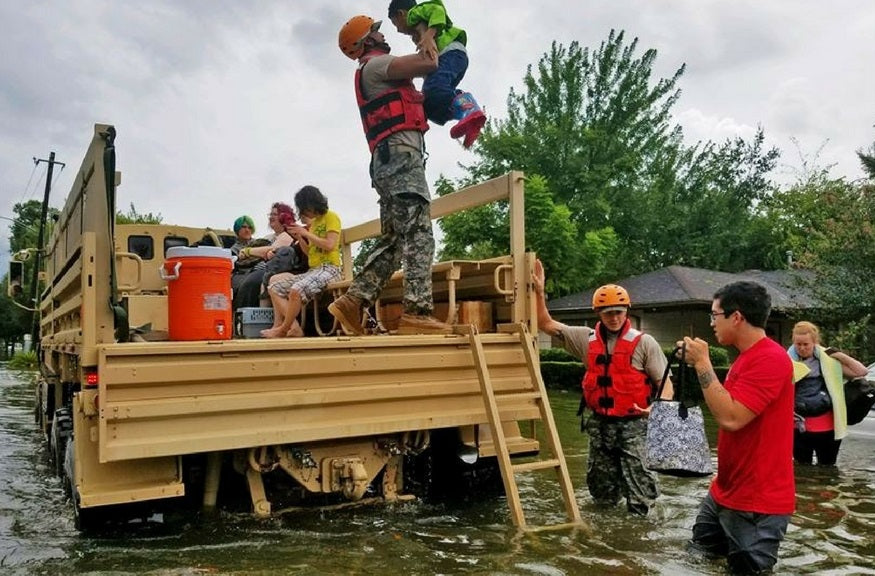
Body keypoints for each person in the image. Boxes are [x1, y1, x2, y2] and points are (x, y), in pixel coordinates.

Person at [331, 15, 451, 336]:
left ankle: (353, 301)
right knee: (419, 233)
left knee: (395, 241)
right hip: (400, 160)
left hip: (387, 162)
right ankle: (417, 313)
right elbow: (430, 63)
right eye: (376, 31)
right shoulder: (376, 65)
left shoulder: (370, 70)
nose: (383, 35)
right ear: (366, 41)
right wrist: (426, 32)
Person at [532, 259, 673, 515]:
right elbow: (545, 324)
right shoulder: (584, 339)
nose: (614, 318)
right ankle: (605, 531)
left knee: (641, 493)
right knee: (601, 493)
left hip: (635, 426)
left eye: (619, 312)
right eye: (608, 313)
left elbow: (666, 385)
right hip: (600, 426)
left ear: (627, 311)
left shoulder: (645, 343)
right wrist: (540, 292)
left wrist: (659, 407)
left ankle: (642, 531)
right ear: (598, 313)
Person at [679, 281, 794, 574]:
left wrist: (702, 363)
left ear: (737, 317)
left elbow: (731, 418)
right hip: (724, 491)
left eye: (715, 315)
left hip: (757, 503)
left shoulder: (770, 359)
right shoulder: (747, 357)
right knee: (698, 559)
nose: (712, 323)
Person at [387, 0, 486, 148]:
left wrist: (429, 34)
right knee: (430, 103)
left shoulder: (414, 13)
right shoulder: (418, 29)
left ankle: (469, 108)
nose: (398, 30)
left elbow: (437, 9)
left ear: (401, 14)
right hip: (453, 59)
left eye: (396, 24)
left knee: (434, 88)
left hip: (450, 53)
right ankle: (468, 120)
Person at [261, 186, 342, 338]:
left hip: (330, 269)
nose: (303, 213)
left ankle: (284, 329)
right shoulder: (315, 223)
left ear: (311, 204)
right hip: (314, 270)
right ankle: (293, 328)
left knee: (296, 290)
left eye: (304, 208)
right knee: (274, 288)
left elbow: (330, 245)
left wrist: (306, 233)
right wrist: (299, 237)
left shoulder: (331, 217)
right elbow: (309, 252)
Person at [788, 320, 867, 466]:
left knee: (828, 468)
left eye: (806, 344)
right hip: (797, 427)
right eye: (798, 344)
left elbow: (861, 371)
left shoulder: (829, 362)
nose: (802, 348)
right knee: (802, 469)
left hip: (827, 427)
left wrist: (839, 355)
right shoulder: (786, 362)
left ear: (815, 342)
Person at [232, 202, 296, 310]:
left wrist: (248, 251)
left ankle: (251, 317)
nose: (271, 217)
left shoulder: (287, 235)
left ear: (284, 216)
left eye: (275, 214)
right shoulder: (268, 237)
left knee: (252, 283)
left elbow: (271, 249)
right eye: (270, 214)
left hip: (273, 271)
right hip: (253, 270)